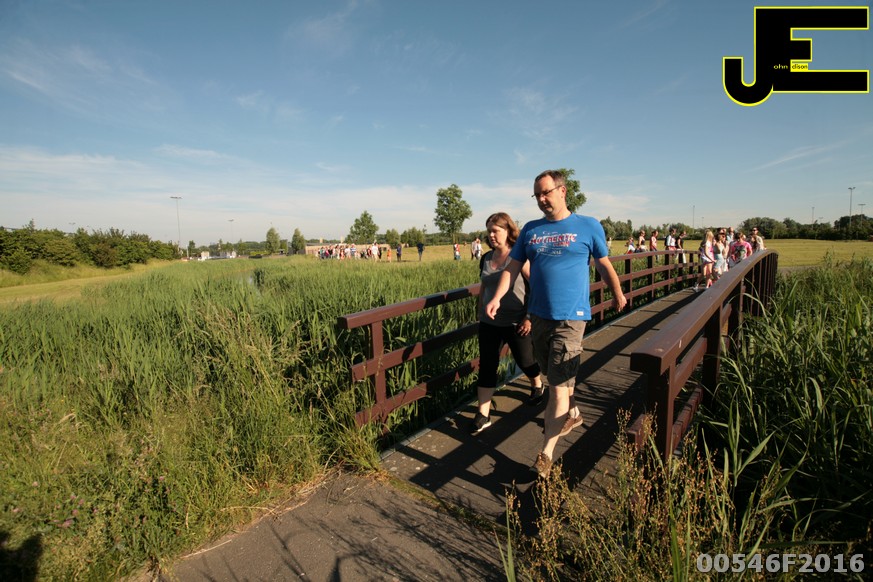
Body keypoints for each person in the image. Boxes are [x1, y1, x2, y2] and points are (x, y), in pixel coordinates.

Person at [485, 169, 627, 477]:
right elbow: (512, 268)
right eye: (537, 195)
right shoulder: (531, 230)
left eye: (546, 192)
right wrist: (496, 297)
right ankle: (573, 413)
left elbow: (603, 264)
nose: (541, 199)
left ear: (562, 191)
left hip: (571, 317)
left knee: (557, 389)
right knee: (554, 374)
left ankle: (545, 453)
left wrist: (617, 292)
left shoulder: (588, 226)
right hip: (539, 316)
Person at [471, 212, 544, 435]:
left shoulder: (519, 257)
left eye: (496, 231)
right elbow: (484, 286)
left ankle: (537, 384)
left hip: (517, 321)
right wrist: (480, 311)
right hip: (489, 322)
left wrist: (529, 317)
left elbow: (537, 287)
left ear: (508, 231)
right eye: (489, 231)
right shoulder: (486, 258)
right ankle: (483, 414)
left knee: (525, 360)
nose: (491, 235)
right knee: (487, 365)